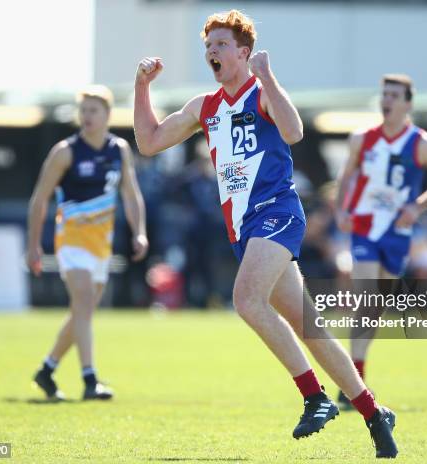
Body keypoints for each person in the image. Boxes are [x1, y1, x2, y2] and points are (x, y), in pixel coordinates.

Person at [134, 10, 398, 458]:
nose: (211, 53)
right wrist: (141, 88)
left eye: (220, 45)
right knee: (309, 328)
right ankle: (374, 413)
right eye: (208, 47)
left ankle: (314, 396)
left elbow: (293, 132)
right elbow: (149, 142)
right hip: (244, 229)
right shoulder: (205, 106)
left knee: (245, 300)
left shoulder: (260, 92)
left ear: (243, 53)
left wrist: (269, 77)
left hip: (277, 213)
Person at [335, 74, 427, 409]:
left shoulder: (423, 144)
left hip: (397, 232)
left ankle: (355, 376)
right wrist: (341, 211)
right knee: (366, 296)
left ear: (407, 103)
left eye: (394, 95)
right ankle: (352, 383)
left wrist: (418, 206)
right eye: (384, 94)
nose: (386, 100)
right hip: (363, 226)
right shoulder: (362, 139)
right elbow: (346, 177)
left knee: (375, 306)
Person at [27, 85, 148, 401]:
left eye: (94, 111)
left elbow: (131, 194)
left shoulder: (119, 149)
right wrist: (33, 245)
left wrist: (139, 231)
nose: (87, 117)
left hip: (101, 244)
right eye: (84, 111)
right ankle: (89, 379)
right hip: (71, 240)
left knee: (82, 311)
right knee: (82, 303)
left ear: (108, 115)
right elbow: (39, 199)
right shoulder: (65, 151)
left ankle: (47, 370)